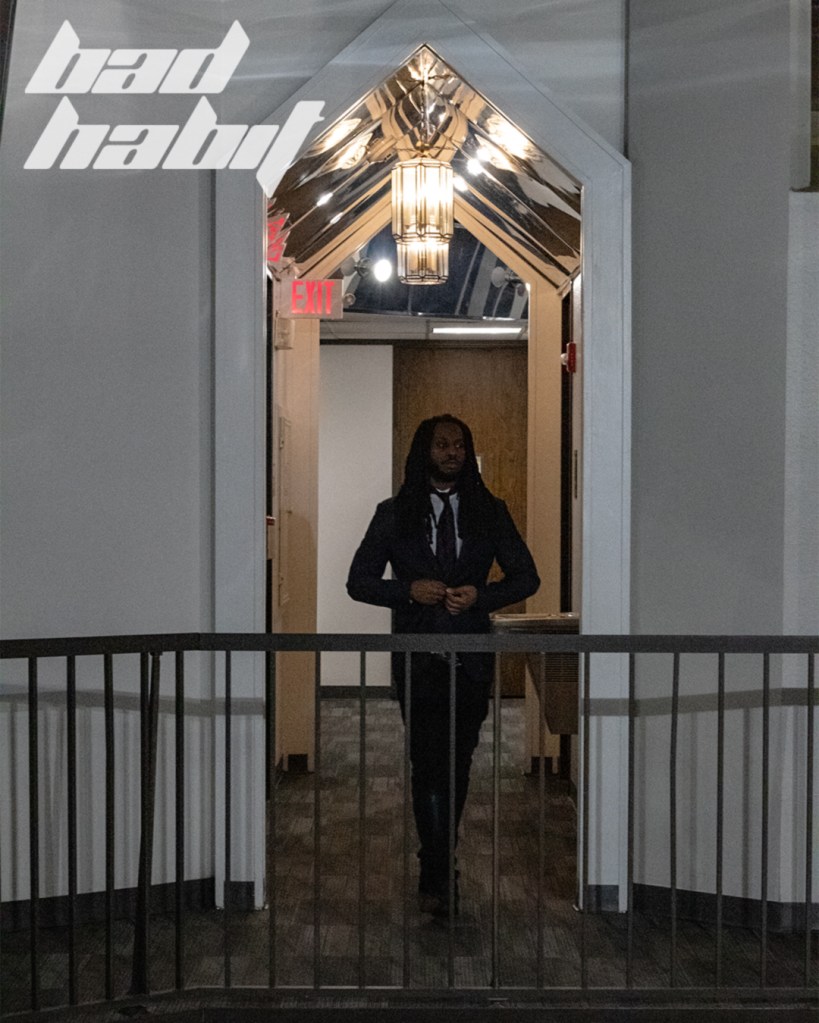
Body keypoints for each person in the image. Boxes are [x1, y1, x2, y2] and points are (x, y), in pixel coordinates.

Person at [347, 414, 539, 916]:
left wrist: (481, 596)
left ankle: (437, 860)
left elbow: (526, 577)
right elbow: (358, 581)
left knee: (457, 764)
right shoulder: (394, 513)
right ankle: (437, 866)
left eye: (459, 445)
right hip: (418, 661)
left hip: (470, 661)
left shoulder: (489, 511)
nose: (452, 453)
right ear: (424, 452)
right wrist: (407, 590)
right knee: (427, 764)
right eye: (442, 445)